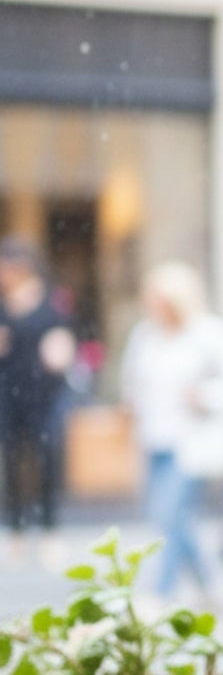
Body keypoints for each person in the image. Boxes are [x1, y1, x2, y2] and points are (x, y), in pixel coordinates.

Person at [121, 261, 223, 598]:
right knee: (175, 519)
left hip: (191, 442)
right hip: (154, 439)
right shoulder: (145, 335)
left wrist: (203, 396)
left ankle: (162, 592)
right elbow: (133, 380)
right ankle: (211, 582)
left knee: (168, 514)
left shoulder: (208, 334)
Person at [0, 238, 76, 562]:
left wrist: (61, 350)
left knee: (47, 460)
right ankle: (15, 530)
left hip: (43, 394)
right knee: (13, 462)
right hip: (8, 391)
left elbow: (66, 338)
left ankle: (49, 529)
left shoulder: (50, 301)